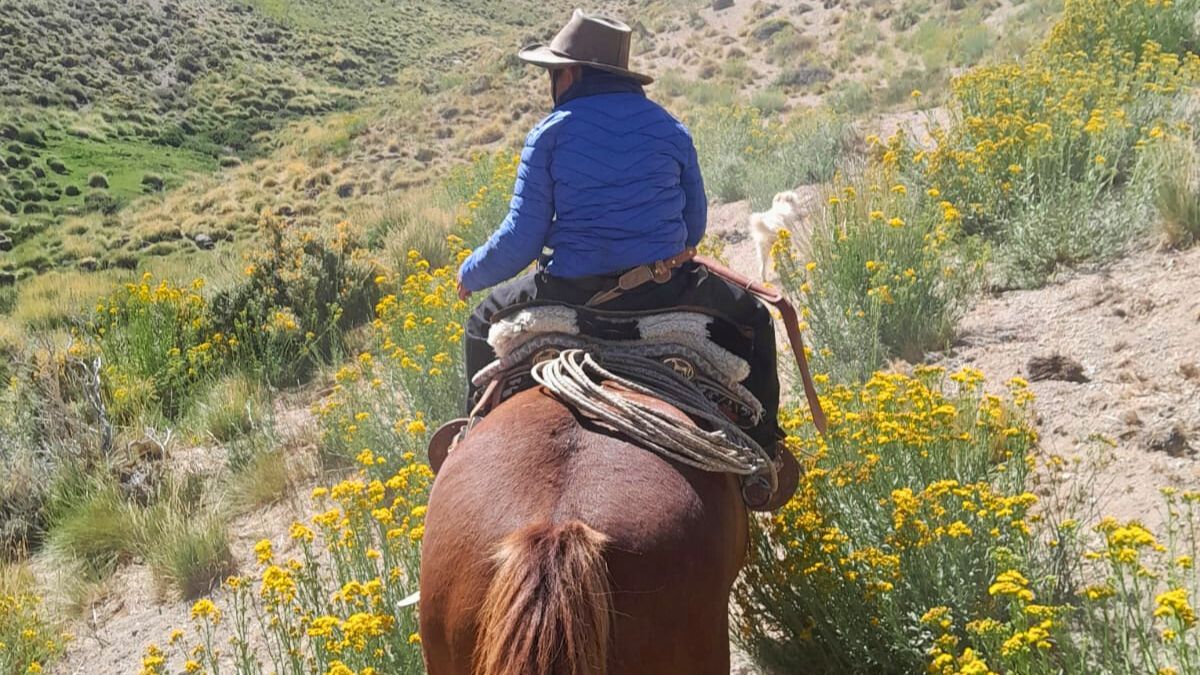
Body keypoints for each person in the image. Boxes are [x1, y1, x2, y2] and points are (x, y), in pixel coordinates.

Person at [455, 10, 782, 459]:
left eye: (553, 72)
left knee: (480, 323)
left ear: (569, 74)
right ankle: (766, 452)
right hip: (664, 289)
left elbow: (521, 239)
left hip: (571, 292)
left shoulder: (548, 134)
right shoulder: (670, 127)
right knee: (756, 320)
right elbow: (694, 228)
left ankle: (471, 442)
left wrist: (470, 273)